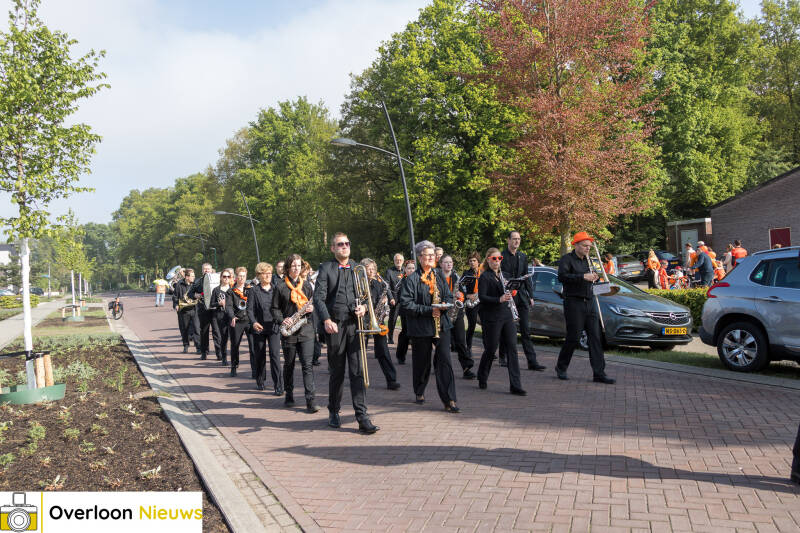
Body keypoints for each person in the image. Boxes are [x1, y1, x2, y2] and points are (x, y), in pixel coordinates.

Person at [314, 232, 379, 434]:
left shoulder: (358, 268)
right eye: (340, 244)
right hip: (335, 325)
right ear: (333, 248)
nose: (344, 246)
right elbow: (318, 298)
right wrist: (326, 320)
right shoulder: (326, 268)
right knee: (338, 373)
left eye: (347, 243)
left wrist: (365, 309)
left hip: (355, 325)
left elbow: (367, 296)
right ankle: (333, 410)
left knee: (358, 371)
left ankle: (362, 416)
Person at [399, 240, 460, 413]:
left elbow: (448, 296)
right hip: (421, 327)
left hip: (442, 325)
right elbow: (406, 304)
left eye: (433, 255)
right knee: (422, 362)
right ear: (420, 258)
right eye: (428, 255)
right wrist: (429, 310)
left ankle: (449, 400)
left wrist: (445, 305)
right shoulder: (411, 279)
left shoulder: (440, 275)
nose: (432, 257)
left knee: (445, 361)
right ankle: (419, 390)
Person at [555, 231, 615, 384]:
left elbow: (592, 280)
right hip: (573, 302)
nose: (588, 248)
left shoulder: (588, 261)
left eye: (589, 246)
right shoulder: (566, 259)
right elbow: (562, 277)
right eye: (585, 246)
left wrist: (595, 278)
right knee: (573, 337)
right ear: (576, 245)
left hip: (590, 301)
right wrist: (582, 276)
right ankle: (561, 367)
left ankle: (599, 373)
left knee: (595, 337)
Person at [476, 248, 528, 395]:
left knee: (512, 348)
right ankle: (482, 376)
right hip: (492, 317)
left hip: (507, 315)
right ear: (488, 260)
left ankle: (515, 385)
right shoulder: (484, 277)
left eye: (499, 259)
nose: (497, 261)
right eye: (494, 259)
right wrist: (498, 299)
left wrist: (513, 290)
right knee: (492, 348)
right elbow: (483, 297)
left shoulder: (505, 275)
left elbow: (510, 292)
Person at [272, 254, 317, 411]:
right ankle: (289, 394)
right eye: (293, 266)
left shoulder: (307, 286)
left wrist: (312, 308)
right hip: (289, 331)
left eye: (299, 266)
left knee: (307, 365)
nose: (296, 268)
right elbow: (274, 308)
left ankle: (310, 401)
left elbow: (313, 304)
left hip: (306, 329)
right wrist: (282, 320)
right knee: (289, 365)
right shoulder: (280, 286)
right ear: (288, 268)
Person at [500, 231, 546, 371]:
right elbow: (502, 275)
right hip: (508, 296)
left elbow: (526, 277)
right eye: (514, 239)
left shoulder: (523, 256)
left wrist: (530, 296)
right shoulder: (501, 256)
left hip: (522, 297)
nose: (516, 241)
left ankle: (532, 362)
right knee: (508, 329)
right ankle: (504, 356)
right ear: (508, 240)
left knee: (526, 330)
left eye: (519, 239)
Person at [361, 258, 401, 390]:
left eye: (373, 268)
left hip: (377, 321)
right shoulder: (358, 285)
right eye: (368, 268)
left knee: (383, 351)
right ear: (363, 270)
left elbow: (380, 300)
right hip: (362, 321)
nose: (371, 271)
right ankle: (360, 378)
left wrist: (383, 303)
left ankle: (391, 379)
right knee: (360, 352)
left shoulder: (378, 284)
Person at [247, 262, 282, 393]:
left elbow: (281, 307)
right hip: (259, 328)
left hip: (273, 327)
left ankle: (278, 385)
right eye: (265, 273)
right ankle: (260, 380)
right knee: (260, 355)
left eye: (269, 273)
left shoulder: (276, 289)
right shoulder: (253, 290)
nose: (268, 275)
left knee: (275, 355)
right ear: (259, 275)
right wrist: (254, 322)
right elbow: (249, 310)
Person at [440, 255, 475, 379]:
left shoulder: (456, 277)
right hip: (443, 314)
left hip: (457, 313)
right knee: (442, 344)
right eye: (446, 262)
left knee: (461, 341)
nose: (449, 264)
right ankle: (439, 366)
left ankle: (466, 368)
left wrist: (462, 295)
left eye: (450, 262)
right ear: (441, 264)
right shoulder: (437, 278)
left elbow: (463, 293)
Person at [225, 267, 251, 378]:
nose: (241, 278)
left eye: (244, 276)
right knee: (235, 344)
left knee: (253, 345)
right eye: (239, 276)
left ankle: (255, 368)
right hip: (237, 321)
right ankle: (234, 366)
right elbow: (229, 306)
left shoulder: (250, 289)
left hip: (249, 320)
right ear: (236, 277)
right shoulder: (230, 291)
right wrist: (232, 317)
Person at [189, 263, 214, 359]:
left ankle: (219, 353)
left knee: (216, 332)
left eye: (208, 269)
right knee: (204, 331)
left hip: (215, 310)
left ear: (211, 270)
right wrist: (196, 295)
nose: (206, 270)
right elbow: (190, 293)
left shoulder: (216, 280)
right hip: (203, 308)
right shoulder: (198, 281)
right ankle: (204, 352)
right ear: (202, 270)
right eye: (204, 269)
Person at [209, 268, 233, 365]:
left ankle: (234, 358)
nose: (226, 278)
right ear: (221, 278)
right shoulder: (216, 290)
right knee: (223, 338)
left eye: (228, 276)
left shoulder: (233, 289)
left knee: (234, 338)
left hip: (231, 316)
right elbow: (211, 304)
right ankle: (224, 357)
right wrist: (219, 303)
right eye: (224, 276)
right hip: (221, 316)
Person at [394, 259, 415, 365]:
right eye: (409, 268)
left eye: (413, 268)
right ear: (405, 270)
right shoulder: (403, 281)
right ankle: (400, 355)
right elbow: (400, 296)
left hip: (416, 310)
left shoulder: (419, 279)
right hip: (406, 311)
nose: (411, 270)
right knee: (406, 333)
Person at [173, 268, 196, 353]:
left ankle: (198, 347)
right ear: (187, 277)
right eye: (192, 276)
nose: (194, 277)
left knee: (196, 328)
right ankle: (186, 345)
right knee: (184, 329)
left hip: (194, 309)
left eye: (194, 276)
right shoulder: (179, 284)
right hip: (183, 310)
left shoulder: (195, 284)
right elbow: (175, 296)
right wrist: (176, 305)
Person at [463, 252, 481, 352]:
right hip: (472, 301)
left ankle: (489, 349)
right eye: (470, 261)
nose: (472, 262)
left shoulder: (483, 273)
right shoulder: (466, 274)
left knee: (487, 326)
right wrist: (467, 295)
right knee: (472, 325)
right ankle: (468, 347)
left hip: (482, 301)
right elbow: (461, 288)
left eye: (474, 260)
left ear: (478, 262)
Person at [385, 253, 404, 344]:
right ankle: (390, 337)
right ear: (394, 261)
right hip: (394, 300)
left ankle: (408, 338)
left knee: (406, 320)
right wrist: (391, 298)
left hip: (405, 300)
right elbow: (387, 286)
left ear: (403, 261)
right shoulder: (389, 271)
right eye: (397, 260)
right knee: (393, 320)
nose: (398, 261)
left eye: (400, 260)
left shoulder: (406, 270)